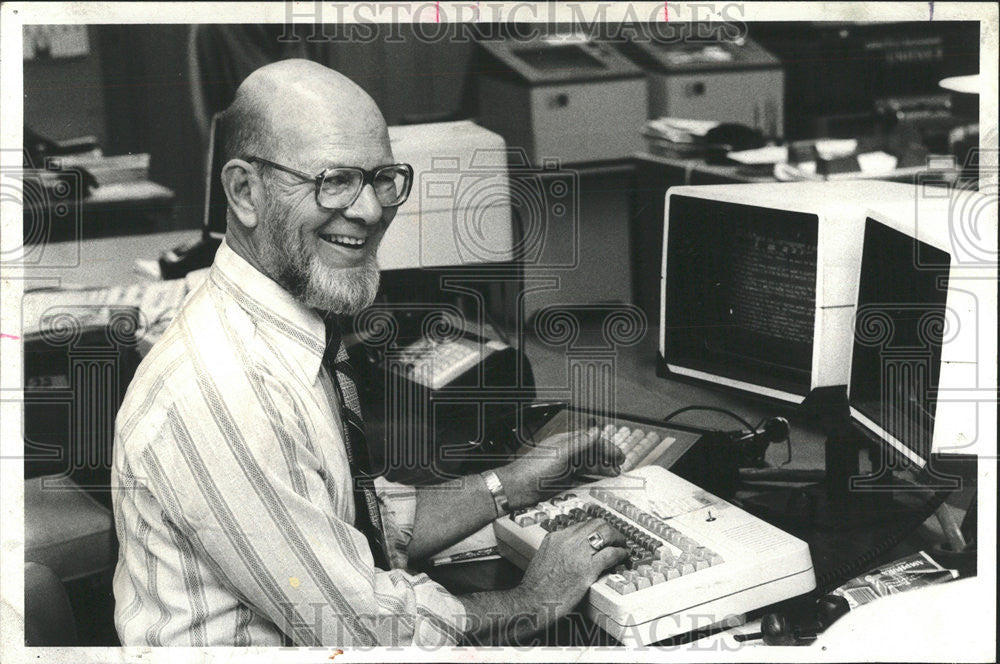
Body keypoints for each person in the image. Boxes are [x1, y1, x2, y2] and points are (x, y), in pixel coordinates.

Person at [111, 59, 627, 648]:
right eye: (333, 180)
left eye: (383, 178)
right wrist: (533, 602)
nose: (370, 210)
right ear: (243, 191)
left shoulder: (284, 330)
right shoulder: (225, 386)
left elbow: (354, 523)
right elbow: (362, 628)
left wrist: (511, 484)